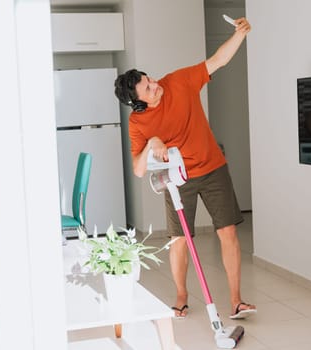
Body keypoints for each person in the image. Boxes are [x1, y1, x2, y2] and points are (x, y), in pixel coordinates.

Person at [114, 16, 256, 320]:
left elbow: (217, 60)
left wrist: (240, 35)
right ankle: (181, 295)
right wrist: (153, 140)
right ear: (138, 104)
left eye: (150, 80)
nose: (156, 86)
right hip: (178, 180)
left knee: (228, 232)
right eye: (149, 89)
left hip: (213, 168)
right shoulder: (138, 123)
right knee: (179, 240)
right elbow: (139, 170)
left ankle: (236, 300)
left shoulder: (177, 81)